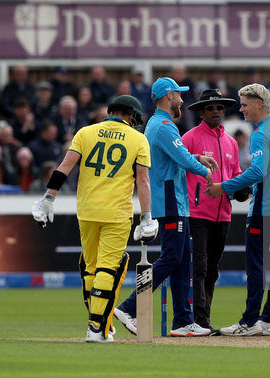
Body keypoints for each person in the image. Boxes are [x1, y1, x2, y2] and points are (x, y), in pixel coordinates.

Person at [31, 95, 157, 343]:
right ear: (130, 115)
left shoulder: (85, 132)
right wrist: (147, 217)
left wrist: (47, 199)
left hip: (87, 211)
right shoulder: (138, 139)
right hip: (117, 213)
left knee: (91, 269)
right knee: (108, 269)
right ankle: (96, 328)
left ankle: (102, 324)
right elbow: (142, 180)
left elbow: (64, 167)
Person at [114, 77, 218, 338]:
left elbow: (178, 155)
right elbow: (181, 158)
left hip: (173, 200)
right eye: (179, 95)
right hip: (171, 201)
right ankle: (128, 308)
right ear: (168, 95)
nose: (183, 100)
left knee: (182, 262)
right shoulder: (163, 126)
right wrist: (203, 170)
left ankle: (182, 320)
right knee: (172, 258)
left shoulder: (159, 125)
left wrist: (196, 157)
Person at [206, 83, 270, 336]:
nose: (242, 109)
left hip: (266, 206)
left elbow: (259, 172)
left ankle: (249, 322)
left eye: (245, 104)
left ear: (259, 104)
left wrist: (224, 187)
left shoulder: (260, 134)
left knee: (256, 265)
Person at [182, 89, 242, 335]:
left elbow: (235, 173)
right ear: (201, 112)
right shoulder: (189, 138)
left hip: (223, 214)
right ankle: (200, 322)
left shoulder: (232, 142)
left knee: (212, 270)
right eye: (210, 108)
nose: (216, 111)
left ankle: (203, 319)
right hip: (197, 213)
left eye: (219, 107)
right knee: (200, 268)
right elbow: (178, 167)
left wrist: (241, 189)